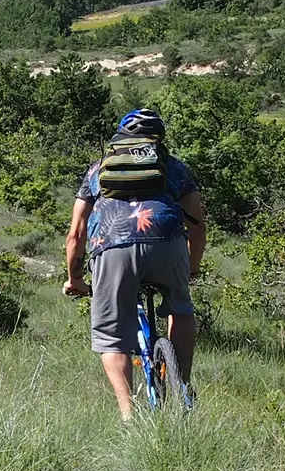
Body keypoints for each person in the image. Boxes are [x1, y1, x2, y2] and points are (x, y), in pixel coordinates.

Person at [64, 109, 206, 419]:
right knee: (180, 308)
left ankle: (129, 413)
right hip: (167, 243)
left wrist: (75, 279)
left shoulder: (97, 170)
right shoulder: (175, 168)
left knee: (111, 332)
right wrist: (191, 267)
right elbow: (198, 227)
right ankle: (182, 386)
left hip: (111, 246)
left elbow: (75, 234)